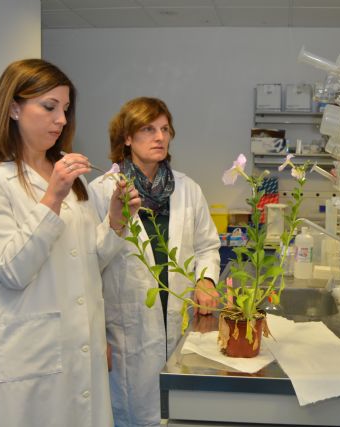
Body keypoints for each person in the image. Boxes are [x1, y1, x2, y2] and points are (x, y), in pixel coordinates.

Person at [0, 59, 142, 426]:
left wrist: (117, 220)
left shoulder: (73, 181)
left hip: (79, 349)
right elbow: (12, 269)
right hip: (27, 357)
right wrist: (51, 198)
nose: (61, 119)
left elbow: (90, 261)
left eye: (66, 109)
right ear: (13, 108)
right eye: (49, 106)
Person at [89, 96, 221, 426]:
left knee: (182, 413)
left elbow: (207, 246)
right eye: (148, 129)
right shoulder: (101, 191)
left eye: (164, 129)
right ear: (127, 138)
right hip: (124, 330)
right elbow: (88, 265)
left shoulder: (187, 189)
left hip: (180, 323)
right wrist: (93, 335)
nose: (160, 137)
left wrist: (206, 280)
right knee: (133, 413)